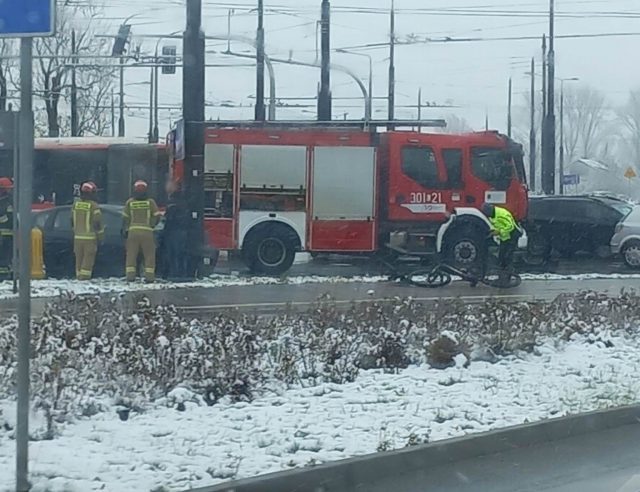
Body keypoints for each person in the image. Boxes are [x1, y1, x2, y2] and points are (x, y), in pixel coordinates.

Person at [123, 180, 161, 283]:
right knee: (149, 255)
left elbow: (125, 218)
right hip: (147, 232)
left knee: (131, 254)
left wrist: (127, 228)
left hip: (133, 232)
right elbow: (157, 216)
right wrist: (152, 225)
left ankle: (130, 277)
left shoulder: (130, 202)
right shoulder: (150, 202)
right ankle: (149, 277)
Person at [72, 181, 104, 280]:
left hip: (77, 238)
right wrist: (100, 236)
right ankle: (84, 278)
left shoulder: (76, 205)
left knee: (79, 260)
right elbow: (97, 223)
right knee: (87, 260)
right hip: (90, 238)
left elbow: (71, 221)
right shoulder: (94, 206)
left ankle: (78, 277)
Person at [481, 203, 522, 273]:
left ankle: (509, 272)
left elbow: (510, 227)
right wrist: (493, 231)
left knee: (508, 255)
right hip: (505, 237)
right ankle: (503, 271)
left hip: (513, 235)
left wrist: (499, 232)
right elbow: (497, 225)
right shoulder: (492, 215)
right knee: (502, 255)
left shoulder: (502, 214)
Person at [163, 180, 190, 280]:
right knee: (179, 253)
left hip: (174, 231)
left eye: (169, 185)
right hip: (180, 231)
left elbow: (170, 217)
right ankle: (180, 273)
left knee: (173, 253)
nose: (167, 187)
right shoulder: (181, 199)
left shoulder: (173, 200)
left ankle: (174, 274)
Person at [0, 177, 14, 280]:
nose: (10, 190)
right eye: (8, 188)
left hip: (8, 233)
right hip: (4, 234)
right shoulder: (4, 201)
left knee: (6, 256)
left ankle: (5, 273)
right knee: (4, 256)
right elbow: (6, 217)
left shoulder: (7, 200)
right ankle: (3, 276)